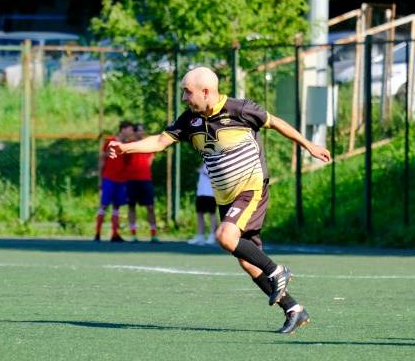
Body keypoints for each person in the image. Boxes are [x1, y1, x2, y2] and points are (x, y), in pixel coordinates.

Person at [107, 66, 331, 333]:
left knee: (224, 236)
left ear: (205, 91)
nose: (184, 98)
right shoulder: (189, 120)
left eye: (187, 92)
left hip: (251, 189)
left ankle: (277, 270)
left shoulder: (240, 109)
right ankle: (294, 309)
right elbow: (158, 141)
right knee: (248, 261)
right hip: (225, 198)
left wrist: (309, 145)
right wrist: (125, 147)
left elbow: (276, 122)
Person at [94, 120, 134, 242]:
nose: (131, 132)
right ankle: (97, 234)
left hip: (121, 181)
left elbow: (128, 163)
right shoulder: (110, 143)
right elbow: (102, 160)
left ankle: (114, 234)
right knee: (104, 205)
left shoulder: (127, 146)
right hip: (109, 179)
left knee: (117, 207)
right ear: (123, 129)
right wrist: (100, 179)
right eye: (130, 130)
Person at [126, 123, 160, 243]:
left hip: (145, 180)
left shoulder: (147, 143)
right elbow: (125, 161)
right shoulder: (129, 145)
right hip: (131, 180)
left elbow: (150, 158)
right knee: (131, 207)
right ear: (134, 132)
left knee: (150, 207)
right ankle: (133, 234)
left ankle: (153, 234)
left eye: (142, 130)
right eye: (139, 130)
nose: (141, 133)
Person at [188, 162, 217, 246]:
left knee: (212, 213)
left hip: (211, 193)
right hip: (201, 193)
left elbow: (216, 175)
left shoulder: (214, 161)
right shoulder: (204, 162)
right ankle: (200, 235)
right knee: (199, 213)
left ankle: (212, 235)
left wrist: (204, 171)